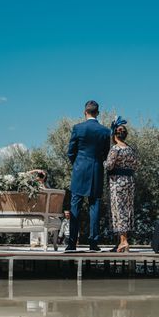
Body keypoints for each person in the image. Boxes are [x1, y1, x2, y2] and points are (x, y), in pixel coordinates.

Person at [66, 100, 111, 252]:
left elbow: (71, 152)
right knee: (94, 207)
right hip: (96, 170)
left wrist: (77, 164)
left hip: (79, 170)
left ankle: (72, 243)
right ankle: (93, 243)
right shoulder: (105, 131)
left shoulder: (77, 128)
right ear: (97, 113)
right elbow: (106, 154)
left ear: (85, 112)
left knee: (75, 207)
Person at [104, 117, 139, 253]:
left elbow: (109, 166)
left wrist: (102, 162)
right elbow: (136, 165)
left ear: (114, 134)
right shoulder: (131, 149)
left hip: (117, 182)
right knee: (128, 209)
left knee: (119, 210)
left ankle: (124, 241)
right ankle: (122, 241)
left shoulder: (115, 149)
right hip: (129, 182)